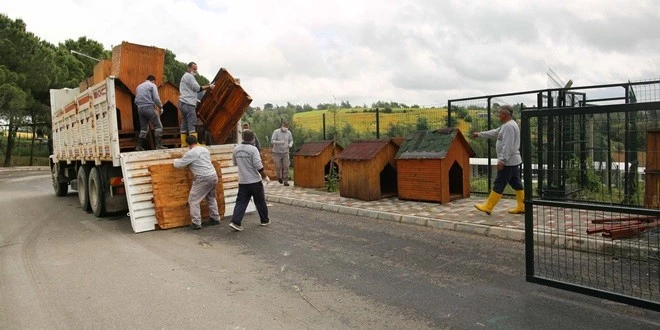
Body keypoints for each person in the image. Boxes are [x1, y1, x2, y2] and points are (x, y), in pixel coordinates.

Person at [471, 104, 524, 215]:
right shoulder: (508, 124)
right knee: (516, 183)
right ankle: (522, 206)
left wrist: (502, 160)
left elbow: (507, 146)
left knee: (499, 183)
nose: (498, 115)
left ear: (504, 114)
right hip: (513, 161)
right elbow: (494, 132)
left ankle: (488, 207)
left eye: (499, 113)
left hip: (508, 162)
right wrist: (479, 134)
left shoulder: (508, 127)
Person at [173, 134, 221, 230]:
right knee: (211, 198)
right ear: (197, 141)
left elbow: (179, 165)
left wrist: (174, 160)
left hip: (203, 178)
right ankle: (215, 218)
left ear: (188, 144)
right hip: (213, 176)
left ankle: (196, 223)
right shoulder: (205, 150)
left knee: (193, 200)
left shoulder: (191, 153)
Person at [229, 129, 270, 232]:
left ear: (242, 137)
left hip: (243, 181)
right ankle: (264, 220)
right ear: (252, 139)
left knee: (241, 202)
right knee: (260, 201)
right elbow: (258, 165)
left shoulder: (236, 149)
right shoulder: (253, 149)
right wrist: (265, 176)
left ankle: (235, 222)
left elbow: (234, 162)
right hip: (255, 181)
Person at [178, 62, 215, 147]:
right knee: (192, 123)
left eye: (196, 69)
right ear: (189, 68)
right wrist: (210, 86)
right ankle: (194, 143)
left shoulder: (184, 77)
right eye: (194, 69)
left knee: (184, 123)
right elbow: (197, 88)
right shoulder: (189, 76)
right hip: (188, 103)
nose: (195, 71)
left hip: (182, 102)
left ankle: (183, 143)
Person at [134, 75, 165, 150]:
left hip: (140, 108)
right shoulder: (152, 85)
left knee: (144, 129)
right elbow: (156, 98)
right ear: (153, 80)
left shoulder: (139, 86)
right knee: (158, 126)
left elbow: (136, 99)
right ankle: (158, 146)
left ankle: (139, 146)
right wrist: (161, 107)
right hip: (148, 107)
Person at [271, 121, 293, 186]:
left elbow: (291, 140)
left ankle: (286, 181)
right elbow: (272, 141)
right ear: (282, 125)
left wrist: (290, 144)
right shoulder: (276, 132)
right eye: (284, 126)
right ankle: (279, 177)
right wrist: (279, 142)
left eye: (287, 127)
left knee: (286, 166)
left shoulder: (289, 133)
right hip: (277, 152)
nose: (285, 128)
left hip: (285, 152)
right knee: (278, 167)